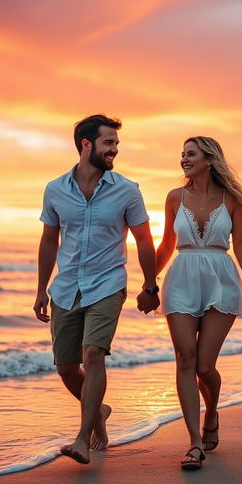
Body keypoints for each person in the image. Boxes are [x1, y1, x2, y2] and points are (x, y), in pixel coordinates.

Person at [33, 114, 160, 465]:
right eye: (108, 143)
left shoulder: (127, 190)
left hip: (108, 283)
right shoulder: (55, 189)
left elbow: (145, 241)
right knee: (67, 367)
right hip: (66, 286)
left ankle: (82, 438)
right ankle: (99, 412)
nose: (114, 150)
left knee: (93, 354)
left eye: (116, 144)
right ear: (86, 144)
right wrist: (41, 288)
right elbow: (48, 240)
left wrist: (151, 285)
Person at [155, 136, 242, 470]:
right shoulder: (175, 197)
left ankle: (212, 412)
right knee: (185, 358)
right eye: (182, 154)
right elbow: (165, 243)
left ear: (209, 159)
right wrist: (149, 280)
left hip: (221, 278)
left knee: (205, 366)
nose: (184, 159)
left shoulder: (232, 198)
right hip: (182, 278)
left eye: (191, 154)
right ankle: (194, 443)